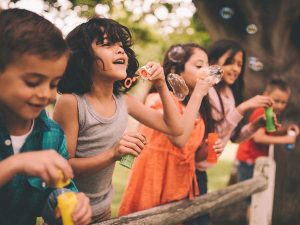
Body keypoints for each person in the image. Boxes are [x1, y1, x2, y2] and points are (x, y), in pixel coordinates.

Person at [53, 18, 183, 223]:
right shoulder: (71, 103)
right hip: (70, 211)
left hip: (103, 210)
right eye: (107, 44)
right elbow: (63, 167)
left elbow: (174, 128)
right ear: (83, 58)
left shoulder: (125, 101)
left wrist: (160, 85)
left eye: (121, 46)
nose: (120, 50)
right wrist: (113, 153)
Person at [0, 8, 91, 225]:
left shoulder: (53, 136)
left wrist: (71, 203)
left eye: (54, 84)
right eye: (33, 82)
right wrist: (14, 164)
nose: (45, 94)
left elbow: (59, 190)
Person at [118, 43, 224, 220]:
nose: (206, 71)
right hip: (154, 183)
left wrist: (207, 150)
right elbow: (179, 139)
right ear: (177, 70)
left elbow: (189, 153)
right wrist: (198, 92)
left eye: (207, 65)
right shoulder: (157, 100)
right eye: (199, 66)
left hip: (181, 187)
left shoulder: (196, 109)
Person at [190, 40, 273, 225]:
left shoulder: (229, 94)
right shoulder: (205, 93)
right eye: (230, 62)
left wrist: (256, 124)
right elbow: (214, 133)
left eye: (240, 64)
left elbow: (233, 136)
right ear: (212, 61)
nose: (236, 68)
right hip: (188, 168)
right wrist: (242, 109)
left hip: (201, 171)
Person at [236, 78, 299, 190]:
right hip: (249, 161)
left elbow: (268, 132)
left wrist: (285, 130)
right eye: (276, 100)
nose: (279, 105)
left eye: (283, 102)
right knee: (252, 197)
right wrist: (286, 139)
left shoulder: (270, 113)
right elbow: (258, 138)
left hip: (256, 161)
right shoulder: (261, 112)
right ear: (266, 95)